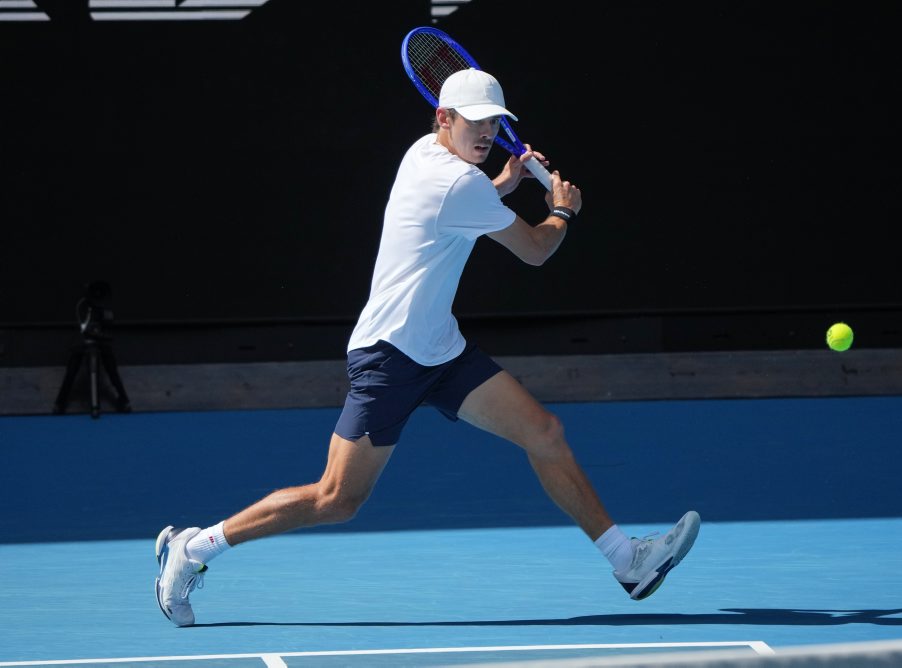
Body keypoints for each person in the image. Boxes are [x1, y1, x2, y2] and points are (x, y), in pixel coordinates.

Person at [154, 68, 700, 627]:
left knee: (544, 433)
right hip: (389, 355)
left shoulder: (425, 155)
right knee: (337, 499)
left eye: (494, 122)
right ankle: (196, 548)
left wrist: (504, 187)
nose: (486, 134)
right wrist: (562, 210)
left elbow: (456, 211)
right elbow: (536, 250)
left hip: (440, 349)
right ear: (444, 118)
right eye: (475, 122)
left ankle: (626, 561)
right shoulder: (460, 185)